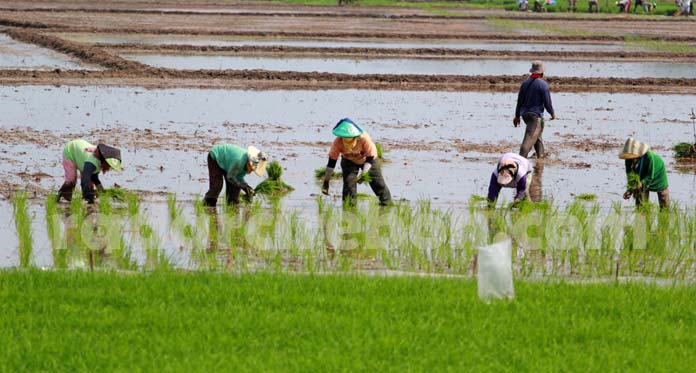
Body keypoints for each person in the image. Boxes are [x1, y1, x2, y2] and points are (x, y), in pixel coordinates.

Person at [321, 118, 392, 206]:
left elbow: (370, 157)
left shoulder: (364, 139)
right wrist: (326, 182)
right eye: (345, 139)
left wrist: (363, 174)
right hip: (349, 161)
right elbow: (331, 163)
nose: (347, 143)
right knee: (349, 186)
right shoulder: (338, 142)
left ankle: (387, 204)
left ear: (355, 137)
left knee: (378, 184)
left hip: (368, 160)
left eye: (350, 140)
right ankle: (349, 210)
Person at [57, 139, 122, 203]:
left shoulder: (99, 162)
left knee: (91, 185)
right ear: (104, 161)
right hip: (71, 151)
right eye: (108, 165)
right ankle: (61, 196)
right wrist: (88, 195)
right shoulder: (91, 163)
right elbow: (84, 180)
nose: (109, 168)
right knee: (71, 180)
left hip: (82, 157)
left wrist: (101, 190)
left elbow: (94, 177)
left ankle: (87, 198)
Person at [513, 61, 556, 159]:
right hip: (535, 117)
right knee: (527, 143)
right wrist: (552, 113)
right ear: (542, 73)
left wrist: (517, 116)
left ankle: (540, 161)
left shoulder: (524, 83)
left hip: (525, 116)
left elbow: (519, 101)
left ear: (532, 71)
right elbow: (547, 103)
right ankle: (520, 161)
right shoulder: (543, 85)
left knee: (537, 137)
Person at [203, 144, 267, 207]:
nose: (251, 171)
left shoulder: (245, 166)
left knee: (234, 189)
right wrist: (243, 187)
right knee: (217, 186)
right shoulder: (239, 162)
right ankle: (208, 205)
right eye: (251, 168)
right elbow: (230, 177)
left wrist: (247, 188)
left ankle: (232, 206)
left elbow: (238, 177)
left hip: (229, 163)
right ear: (248, 162)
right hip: (216, 157)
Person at [619, 138, 669, 209]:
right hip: (641, 173)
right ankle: (642, 215)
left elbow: (650, 176)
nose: (631, 158)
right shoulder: (628, 159)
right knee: (641, 202)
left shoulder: (649, 156)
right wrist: (630, 189)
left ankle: (664, 216)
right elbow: (630, 175)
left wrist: (641, 183)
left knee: (663, 197)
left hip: (657, 172)